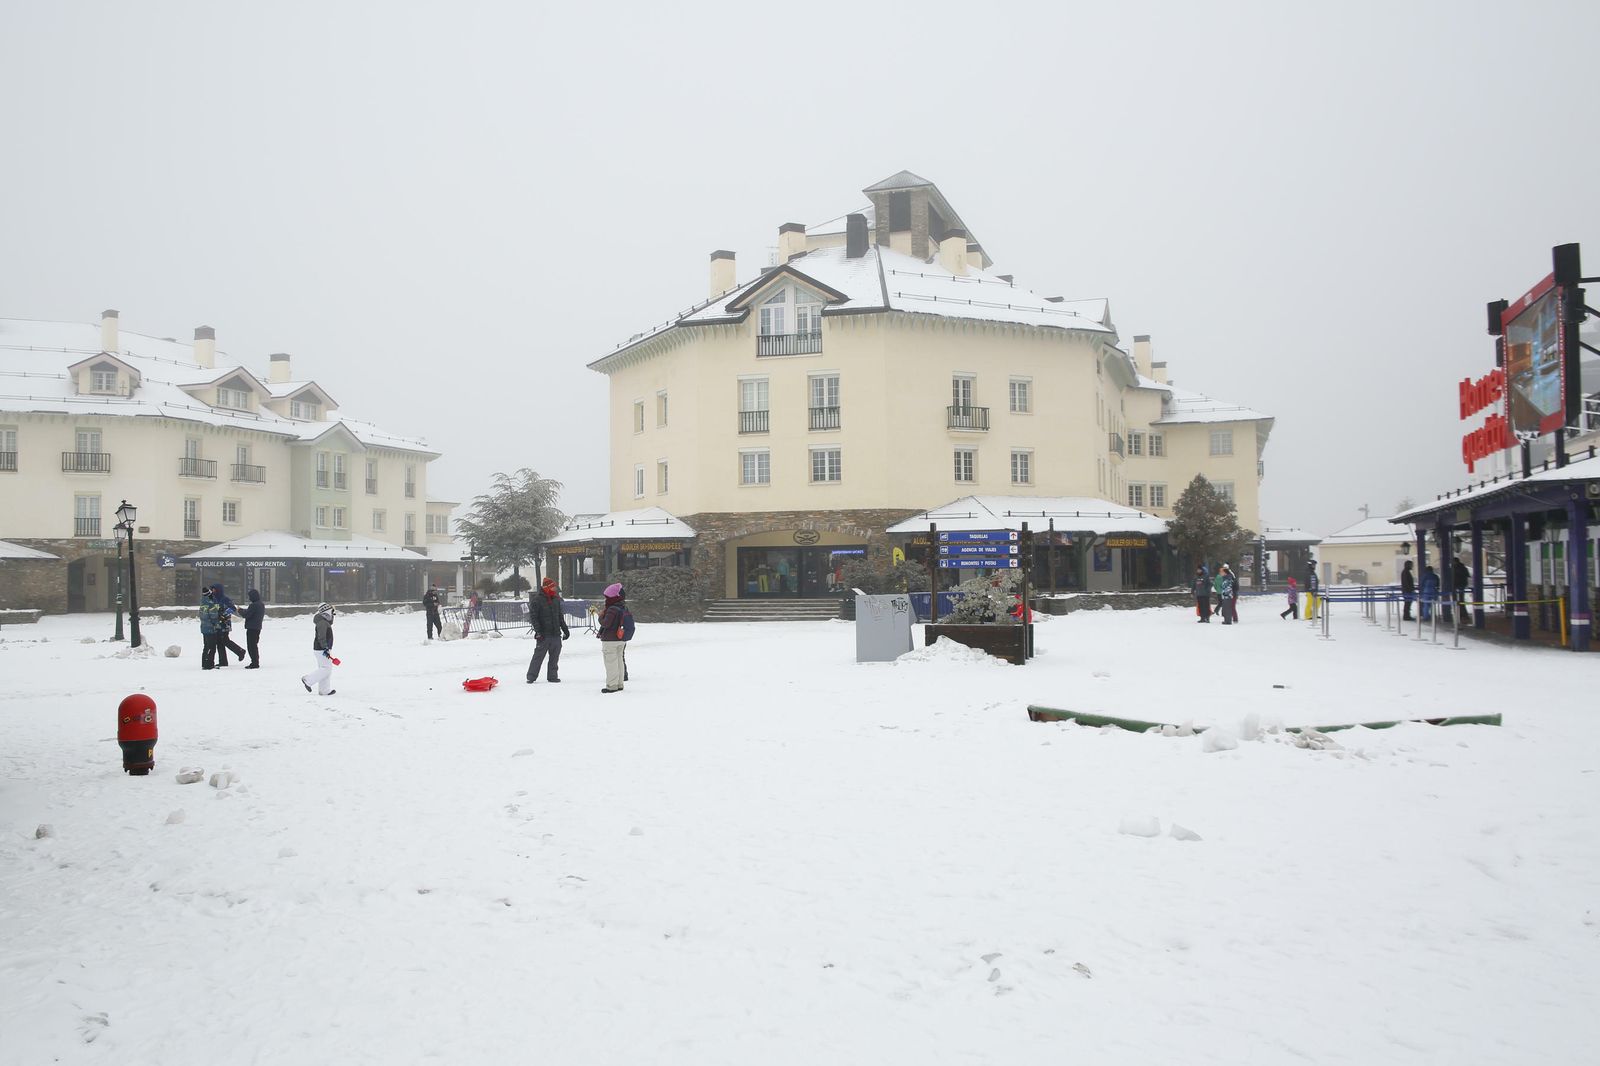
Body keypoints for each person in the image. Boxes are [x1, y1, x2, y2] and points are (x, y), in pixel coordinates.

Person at [526, 577, 571, 683]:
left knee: (554, 657)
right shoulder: (537, 600)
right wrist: (539, 631)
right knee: (538, 656)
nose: (555, 589)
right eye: (553, 587)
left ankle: (552, 676)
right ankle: (531, 676)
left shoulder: (556, 599)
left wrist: (565, 630)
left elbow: (559, 616)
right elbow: (534, 618)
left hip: (555, 634)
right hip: (544, 635)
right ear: (546, 587)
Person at [596, 582, 631, 693]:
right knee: (619, 661)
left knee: (611, 663)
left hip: (610, 640)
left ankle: (612, 685)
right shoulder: (623, 607)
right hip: (621, 639)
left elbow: (606, 624)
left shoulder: (612, 609)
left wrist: (600, 616)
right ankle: (619, 684)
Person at [300, 603, 337, 695]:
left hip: (322, 648)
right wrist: (325, 648)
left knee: (325, 669)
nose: (333, 614)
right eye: (332, 612)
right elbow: (321, 637)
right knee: (326, 668)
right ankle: (308, 680)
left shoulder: (324, 621)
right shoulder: (322, 623)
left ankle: (324, 690)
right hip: (321, 649)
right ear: (327, 612)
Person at [210, 583, 247, 666]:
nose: (213, 591)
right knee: (219, 642)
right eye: (212, 589)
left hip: (224, 623)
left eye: (214, 589)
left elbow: (232, 608)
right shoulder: (213, 598)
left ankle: (240, 651)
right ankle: (223, 661)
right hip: (217, 623)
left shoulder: (225, 599)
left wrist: (224, 615)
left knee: (225, 640)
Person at [199, 587, 222, 669]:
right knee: (212, 647)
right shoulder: (211, 604)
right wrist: (217, 624)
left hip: (204, 627)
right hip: (211, 628)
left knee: (206, 646)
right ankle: (209, 664)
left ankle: (204, 663)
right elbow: (214, 617)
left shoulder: (203, 602)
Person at [243, 588, 265, 668]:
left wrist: (240, 610)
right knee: (254, 645)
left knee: (251, 646)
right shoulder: (261, 604)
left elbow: (247, 615)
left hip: (251, 627)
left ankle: (254, 662)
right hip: (258, 627)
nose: (249, 598)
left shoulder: (253, 605)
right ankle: (255, 661)